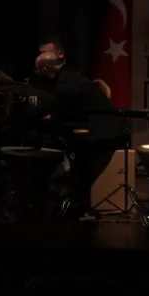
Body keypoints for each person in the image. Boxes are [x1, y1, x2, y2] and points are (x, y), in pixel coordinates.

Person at [28, 47, 127, 221]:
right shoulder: (70, 77)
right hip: (107, 129)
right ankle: (79, 206)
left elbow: (57, 113)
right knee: (83, 171)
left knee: (82, 168)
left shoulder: (65, 85)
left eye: (38, 70)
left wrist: (33, 117)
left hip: (104, 132)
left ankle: (78, 207)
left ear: (44, 69)